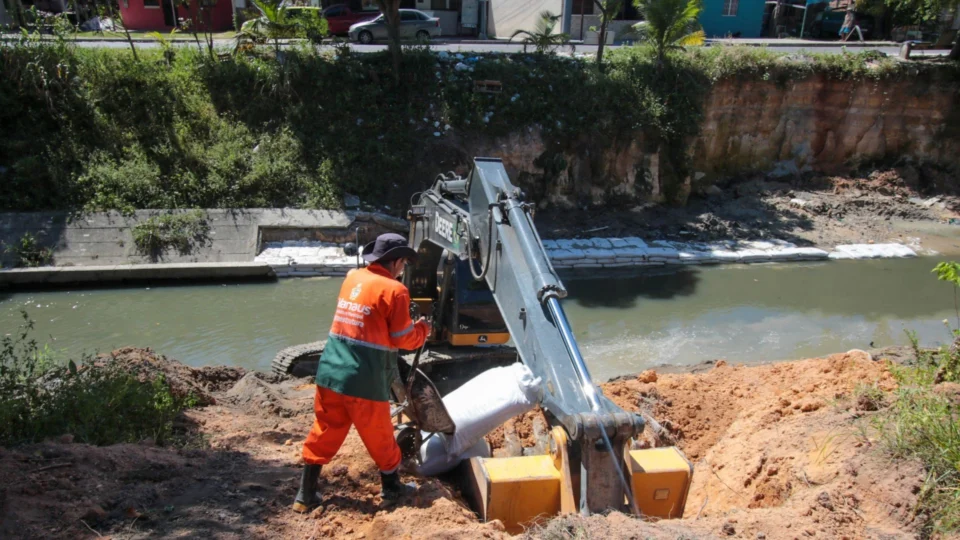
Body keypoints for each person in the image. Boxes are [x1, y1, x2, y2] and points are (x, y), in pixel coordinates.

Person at [292, 233, 431, 513]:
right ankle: (392, 490)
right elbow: (404, 338)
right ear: (394, 262)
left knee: (324, 430)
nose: (403, 269)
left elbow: (368, 323)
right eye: (403, 263)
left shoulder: (352, 277)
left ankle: (305, 496)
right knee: (380, 435)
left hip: (331, 371)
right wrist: (423, 330)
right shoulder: (396, 290)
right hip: (363, 379)